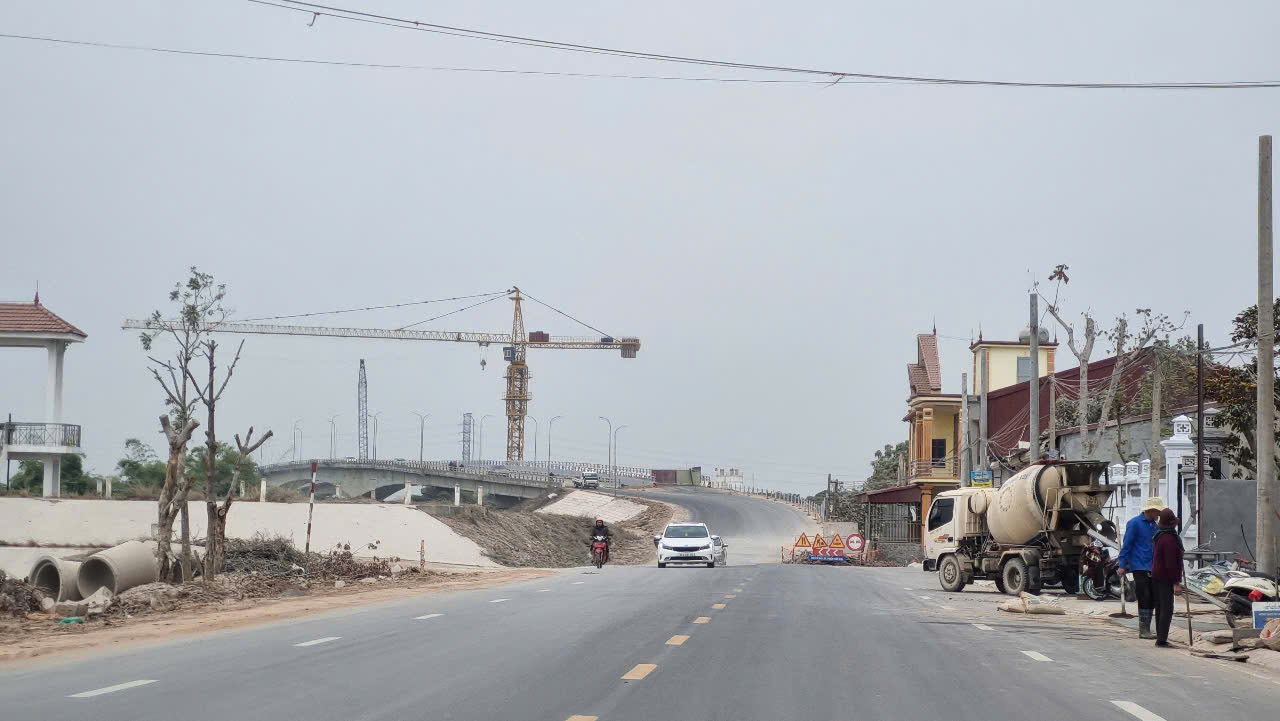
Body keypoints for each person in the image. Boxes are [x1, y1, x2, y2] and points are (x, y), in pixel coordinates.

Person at [1117, 497, 1165, 639]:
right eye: (1157, 511)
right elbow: (1127, 545)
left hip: (1153, 567)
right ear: (1150, 510)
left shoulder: (1154, 526)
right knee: (1144, 596)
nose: (1158, 514)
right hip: (1139, 566)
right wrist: (1122, 565)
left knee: (1152, 598)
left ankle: (1147, 627)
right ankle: (1143, 630)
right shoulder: (1135, 524)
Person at [1151, 508, 1184, 647]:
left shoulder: (1160, 536)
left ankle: (1160, 636)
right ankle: (1162, 639)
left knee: (1160, 608)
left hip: (1157, 576)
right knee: (1167, 609)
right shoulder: (1169, 539)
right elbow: (1171, 564)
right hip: (1165, 578)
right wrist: (1176, 583)